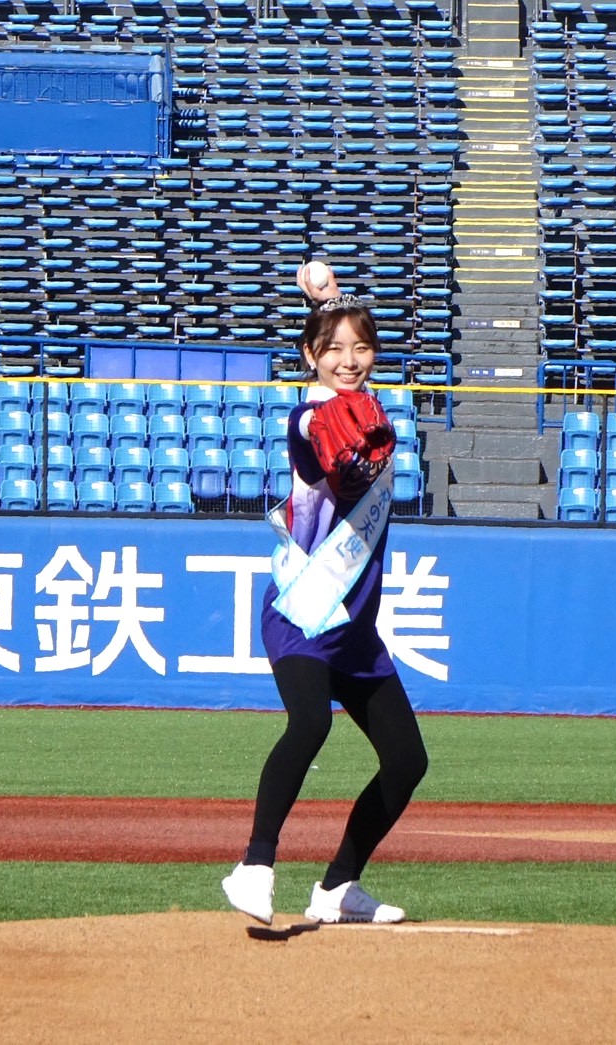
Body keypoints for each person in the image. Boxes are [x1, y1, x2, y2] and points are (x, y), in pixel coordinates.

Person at [221, 261, 429, 925]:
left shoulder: (366, 407)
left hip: (355, 627)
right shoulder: (309, 419)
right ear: (309, 355)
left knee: (407, 761)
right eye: (334, 349)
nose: (350, 359)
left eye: (362, 347)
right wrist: (330, 319)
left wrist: (332, 302)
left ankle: (338, 887)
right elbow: (322, 433)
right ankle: (254, 864)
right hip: (306, 611)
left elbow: (353, 401)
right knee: (310, 722)